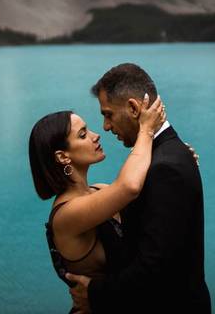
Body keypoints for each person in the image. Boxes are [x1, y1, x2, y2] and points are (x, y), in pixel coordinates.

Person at [67, 63, 211, 314]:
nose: (105, 127)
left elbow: (155, 267)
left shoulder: (164, 167)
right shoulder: (162, 158)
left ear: (133, 108)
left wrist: (94, 294)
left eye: (108, 114)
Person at [28, 93, 166, 300]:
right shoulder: (67, 215)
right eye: (83, 135)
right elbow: (129, 186)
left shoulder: (100, 190)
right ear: (63, 156)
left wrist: (173, 160)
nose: (96, 135)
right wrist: (146, 130)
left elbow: (149, 201)